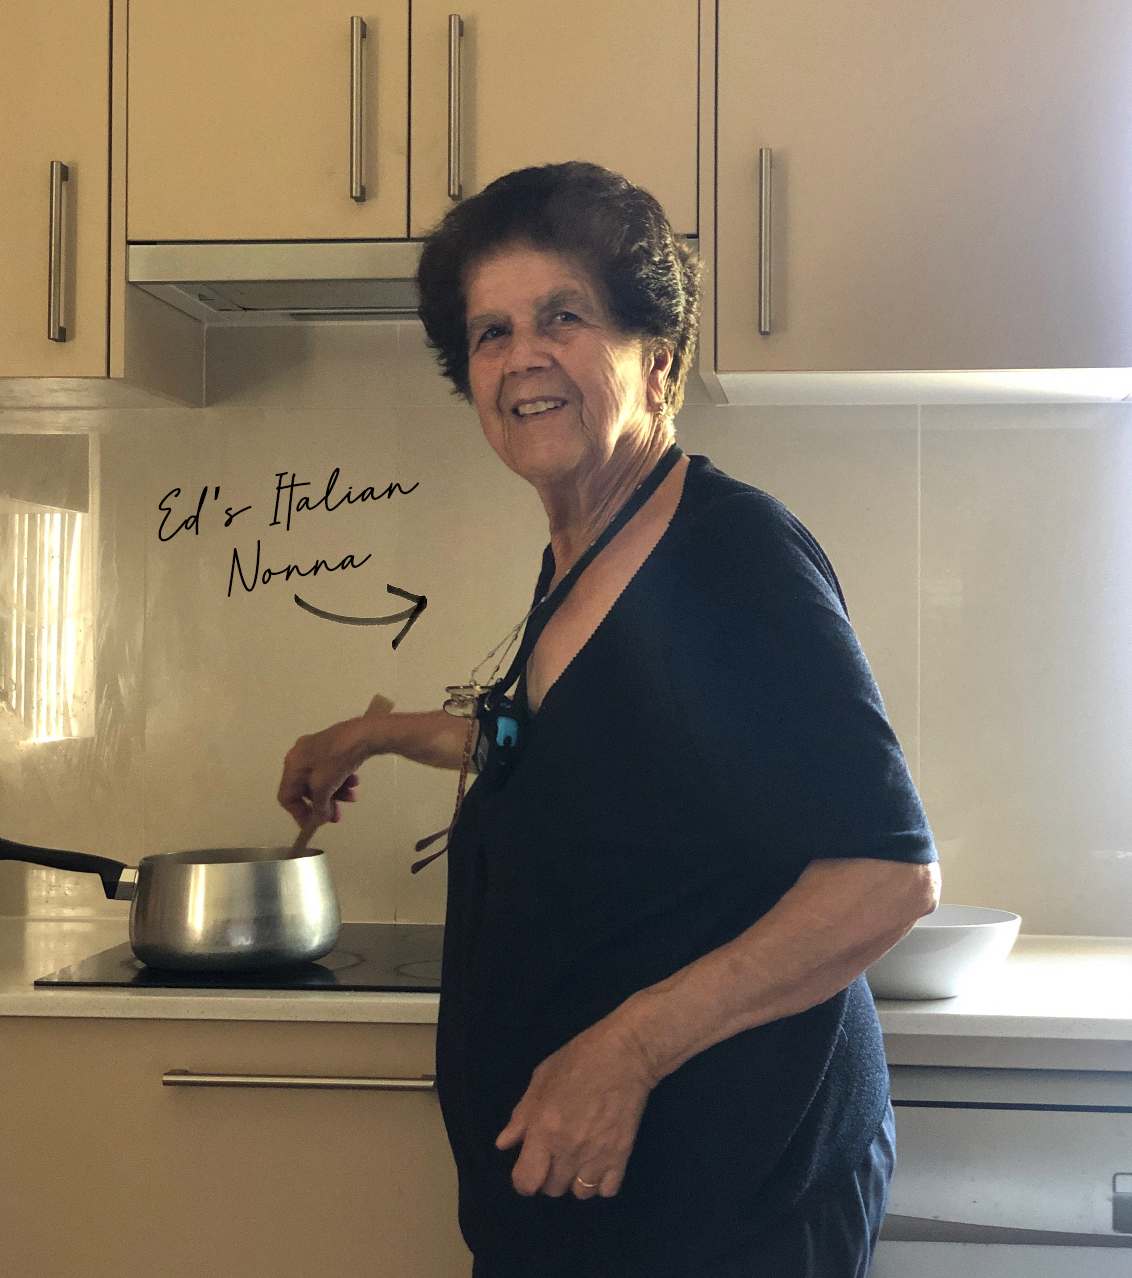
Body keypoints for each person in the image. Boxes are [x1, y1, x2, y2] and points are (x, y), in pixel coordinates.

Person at [278, 162, 940, 1278]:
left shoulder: (729, 557)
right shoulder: (583, 553)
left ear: (659, 359)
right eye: (490, 332)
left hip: (727, 1200)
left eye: (563, 317)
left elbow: (884, 874)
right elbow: (571, 754)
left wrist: (626, 1051)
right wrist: (375, 733)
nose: (521, 356)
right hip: (598, 1202)